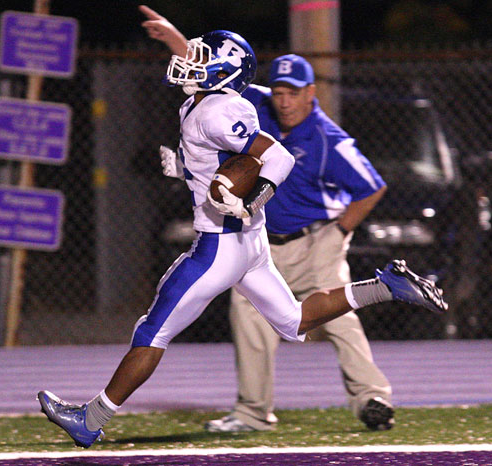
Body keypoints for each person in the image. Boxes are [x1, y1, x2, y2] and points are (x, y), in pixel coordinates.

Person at [37, 25, 447, 449]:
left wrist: (252, 201)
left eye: (202, 58)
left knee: (152, 332)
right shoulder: (212, 102)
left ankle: (90, 419)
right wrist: (185, 168)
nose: (190, 62)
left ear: (223, 72)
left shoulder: (214, 110)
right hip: (251, 243)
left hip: (220, 245)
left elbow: (276, 156)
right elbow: (226, 160)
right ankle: (385, 287)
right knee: (294, 321)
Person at [141, 6, 395, 432]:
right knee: (248, 317)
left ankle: (373, 398)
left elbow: (373, 187)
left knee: (339, 319)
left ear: (311, 93)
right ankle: (253, 412)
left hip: (315, 242)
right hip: (260, 241)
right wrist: (174, 40)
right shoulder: (253, 102)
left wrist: (340, 232)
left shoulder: (329, 139)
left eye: (294, 92)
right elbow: (211, 69)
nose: (284, 100)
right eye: (279, 90)